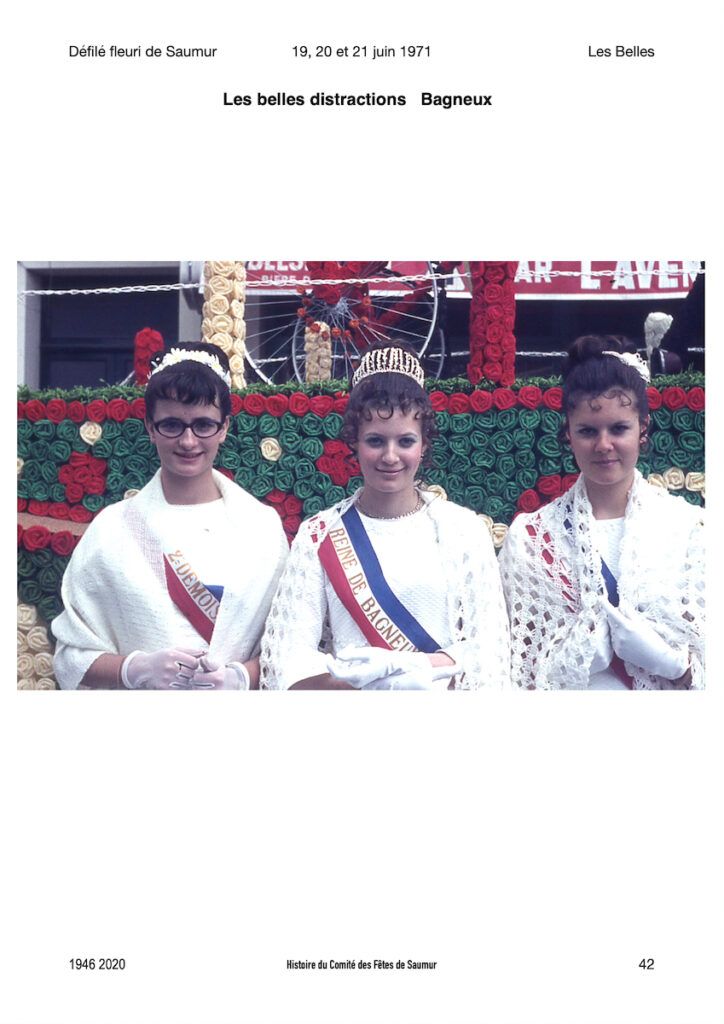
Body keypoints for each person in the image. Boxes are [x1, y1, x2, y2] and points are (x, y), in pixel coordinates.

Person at [260, 342, 510, 690]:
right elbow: (288, 658)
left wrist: (416, 666)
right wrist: (360, 687)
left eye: (405, 441)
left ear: (424, 445)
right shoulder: (319, 534)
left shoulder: (464, 530)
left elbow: (489, 649)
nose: (390, 456)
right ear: (354, 441)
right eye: (375, 441)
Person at [52, 342, 288, 690]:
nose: (189, 441)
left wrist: (238, 678)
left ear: (224, 427)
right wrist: (135, 669)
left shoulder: (262, 527)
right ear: (150, 427)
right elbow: (71, 656)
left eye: (204, 425)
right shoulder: (112, 529)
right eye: (172, 425)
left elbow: (287, 646)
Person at [498, 335, 704, 690]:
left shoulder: (690, 530)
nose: (604, 445)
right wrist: (574, 660)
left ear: (643, 428)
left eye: (619, 428)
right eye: (588, 431)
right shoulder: (531, 539)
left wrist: (677, 666)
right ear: (568, 435)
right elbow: (514, 675)